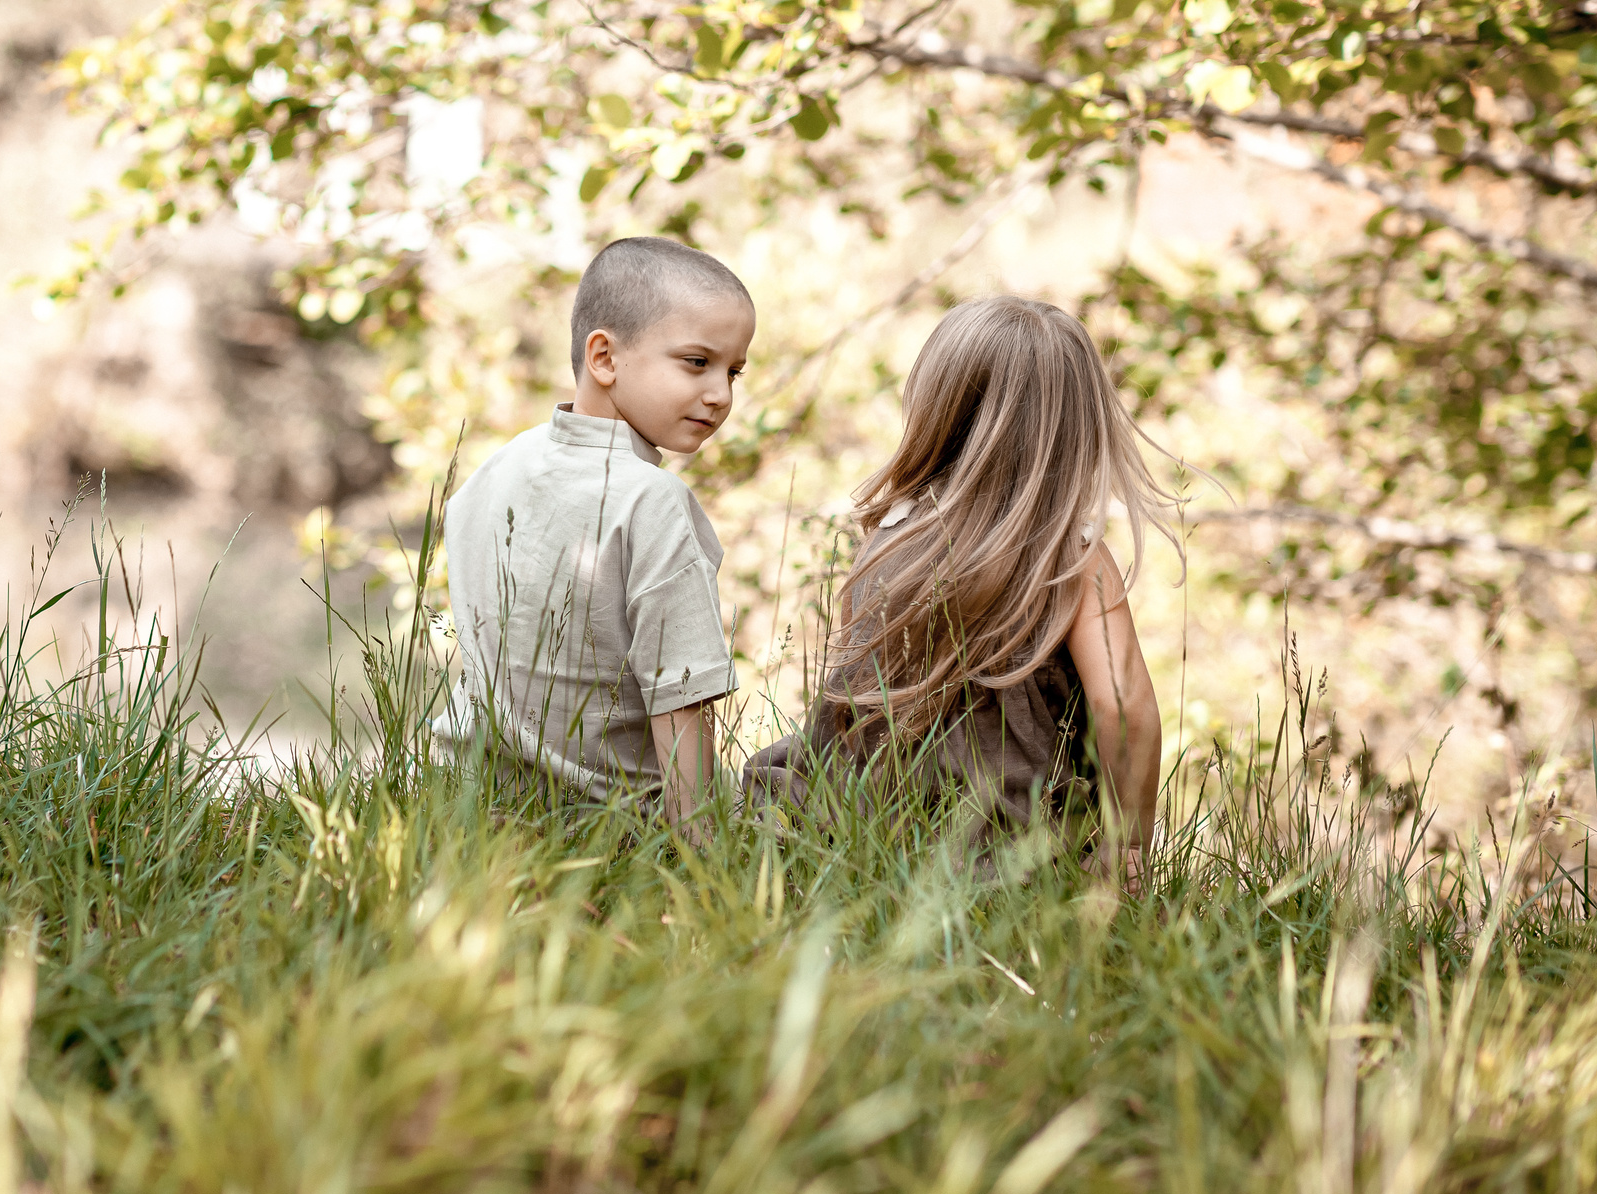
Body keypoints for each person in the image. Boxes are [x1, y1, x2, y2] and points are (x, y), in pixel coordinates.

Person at [747, 296, 1174, 884]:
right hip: (1003, 837)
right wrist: (1128, 843)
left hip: (862, 821)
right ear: (1082, 424)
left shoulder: (888, 537)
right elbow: (1125, 709)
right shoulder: (1071, 556)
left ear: (935, 408)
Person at [435, 236, 756, 838]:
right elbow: (679, 701)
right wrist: (709, 864)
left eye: (733, 372)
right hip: (608, 827)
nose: (721, 395)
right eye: (696, 362)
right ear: (604, 357)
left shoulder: (495, 469)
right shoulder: (655, 502)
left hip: (464, 801)